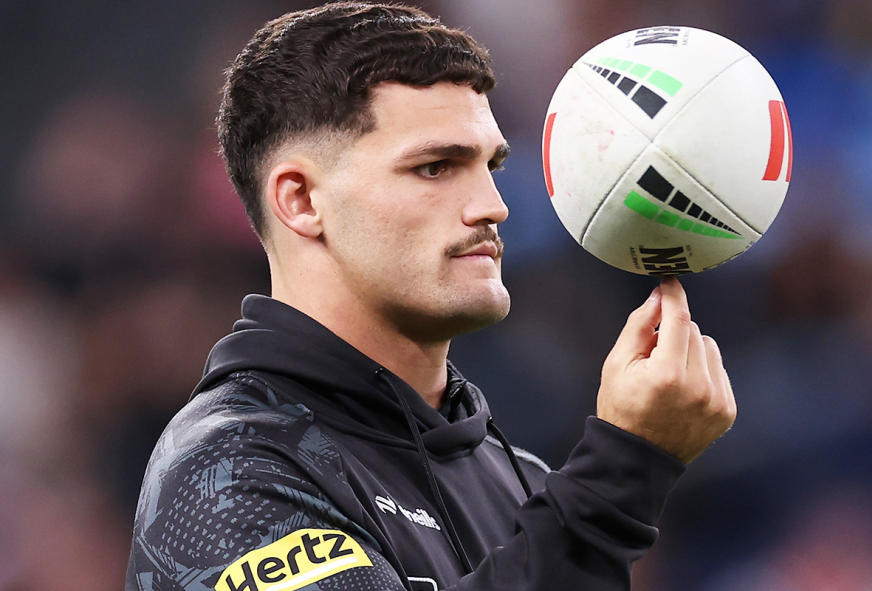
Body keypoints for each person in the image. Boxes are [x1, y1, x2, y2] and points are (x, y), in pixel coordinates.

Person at [126, 3, 736, 590]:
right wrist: (621, 474)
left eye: (491, 166)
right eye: (436, 167)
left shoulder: (526, 482)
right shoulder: (227, 474)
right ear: (301, 201)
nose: (494, 206)